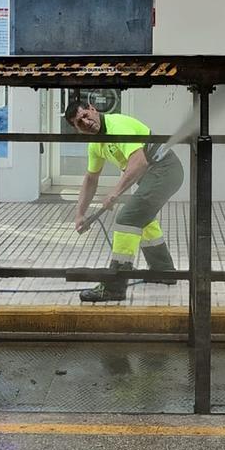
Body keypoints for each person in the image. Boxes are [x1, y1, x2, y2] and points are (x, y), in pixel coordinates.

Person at [65, 99, 184, 302]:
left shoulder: (116, 125)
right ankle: (164, 272)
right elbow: (91, 179)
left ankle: (114, 286)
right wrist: (80, 214)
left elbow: (139, 162)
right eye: (79, 122)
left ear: (93, 109)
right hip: (154, 174)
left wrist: (115, 192)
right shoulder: (96, 145)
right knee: (142, 218)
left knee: (126, 219)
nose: (85, 122)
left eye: (85, 115)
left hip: (164, 169)